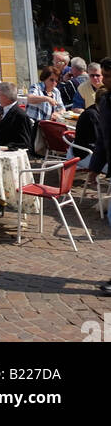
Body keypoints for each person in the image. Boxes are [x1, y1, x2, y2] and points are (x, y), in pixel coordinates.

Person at [86, 60, 111, 296]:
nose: (103, 80)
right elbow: (104, 138)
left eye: (107, 75)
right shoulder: (105, 101)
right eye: (103, 75)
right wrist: (94, 167)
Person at [0, 82, 34, 151]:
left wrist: (7, 147)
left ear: (6, 97)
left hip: (11, 153)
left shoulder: (20, 116)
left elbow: (25, 143)